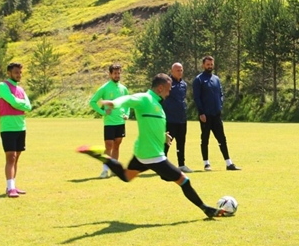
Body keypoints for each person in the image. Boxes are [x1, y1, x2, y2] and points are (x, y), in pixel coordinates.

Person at [76, 73, 229, 219]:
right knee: (184, 181)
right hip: (153, 156)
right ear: (160, 88)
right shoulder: (145, 98)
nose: (169, 93)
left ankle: (101, 156)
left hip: (142, 153)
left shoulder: (156, 104)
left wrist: (164, 136)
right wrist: (113, 103)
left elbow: (153, 124)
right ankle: (206, 209)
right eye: (168, 90)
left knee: (126, 176)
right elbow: (128, 99)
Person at [192, 55, 240, 171]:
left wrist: (220, 105)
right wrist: (201, 112)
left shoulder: (216, 79)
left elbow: (221, 94)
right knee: (205, 139)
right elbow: (197, 98)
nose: (210, 66)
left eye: (211, 64)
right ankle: (206, 163)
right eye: (208, 64)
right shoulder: (198, 80)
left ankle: (229, 163)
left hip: (216, 114)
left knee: (222, 138)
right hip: (205, 115)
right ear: (203, 65)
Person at [0, 62, 32, 198]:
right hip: (8, 127)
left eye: (20, 72)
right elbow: (13, 102)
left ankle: (12, 186)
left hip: (21, 126)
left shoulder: (21, 89)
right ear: (9, 73)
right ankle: (10, 187)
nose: (19, 75)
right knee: (10, 157)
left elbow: (28, 106)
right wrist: (20, 103)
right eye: (16, 72)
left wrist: (20, 103)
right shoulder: (3, 86)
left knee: (16, 157)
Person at [89, 64, 130, 178]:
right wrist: (103, 113)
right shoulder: (104, 88)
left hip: (120, 122)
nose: (117, 75)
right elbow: (92, 102)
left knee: (117, 146)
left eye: (118, 73)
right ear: (110, 74)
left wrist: (126, 114)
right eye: (115, 73)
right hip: (109, 123)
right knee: (109, 146)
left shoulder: (123, 89)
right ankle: (105, 170)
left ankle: (115, 169)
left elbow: (127, 103)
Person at [162, 62, 193, 173]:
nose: (180, 72)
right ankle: (162, 164)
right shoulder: (167, 83)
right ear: (172, 71)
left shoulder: (184, 84)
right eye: (177, 70)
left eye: (181, 70)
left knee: (181, 142)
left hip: (182, 119)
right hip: (170, 119)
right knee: (167, 143)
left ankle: (181, 165)